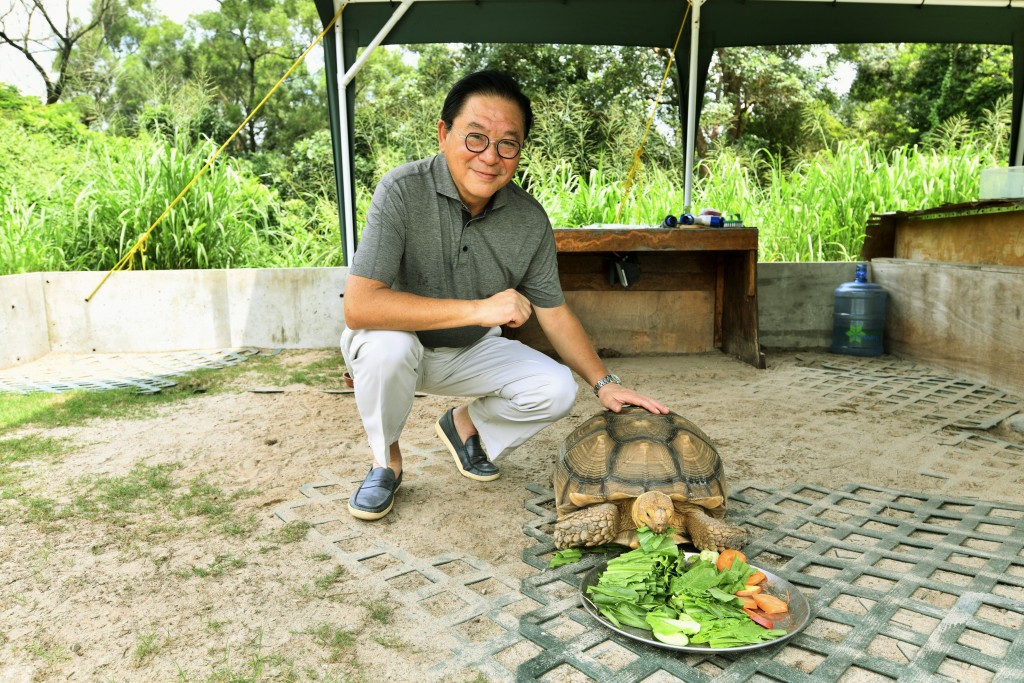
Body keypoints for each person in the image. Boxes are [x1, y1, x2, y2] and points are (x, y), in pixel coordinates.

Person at [341, 69, 669, 521]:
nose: (490, 157)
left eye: (507, 144)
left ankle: (464, 426)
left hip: (468, 350)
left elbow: (554, 313)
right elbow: (359, 307)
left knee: (556, 389)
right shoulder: (401, 190)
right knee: (387, 348)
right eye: (475, 138)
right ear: (443, 134)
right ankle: (386, 462)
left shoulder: (529, 220)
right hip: (397, 342)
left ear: (519, 152)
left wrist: (605, 384)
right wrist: (481, 308)